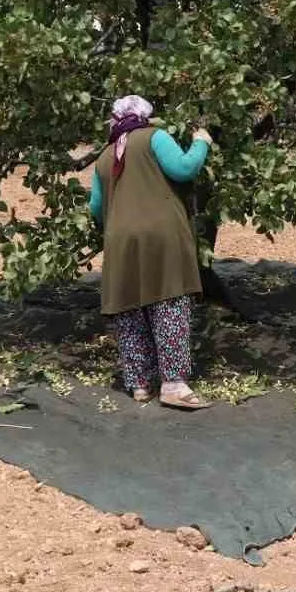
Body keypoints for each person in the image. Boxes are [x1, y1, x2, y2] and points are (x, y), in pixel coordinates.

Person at [89, 95, 213, 410]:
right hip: (162, 236)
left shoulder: (105, 156)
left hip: (120, 242)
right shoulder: (154, 138)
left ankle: (140, 384)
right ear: (145, 117)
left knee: (129, 310)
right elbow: (185, 169)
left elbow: (95, 208)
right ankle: (173, 384)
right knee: (169, 303)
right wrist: (201, 142)